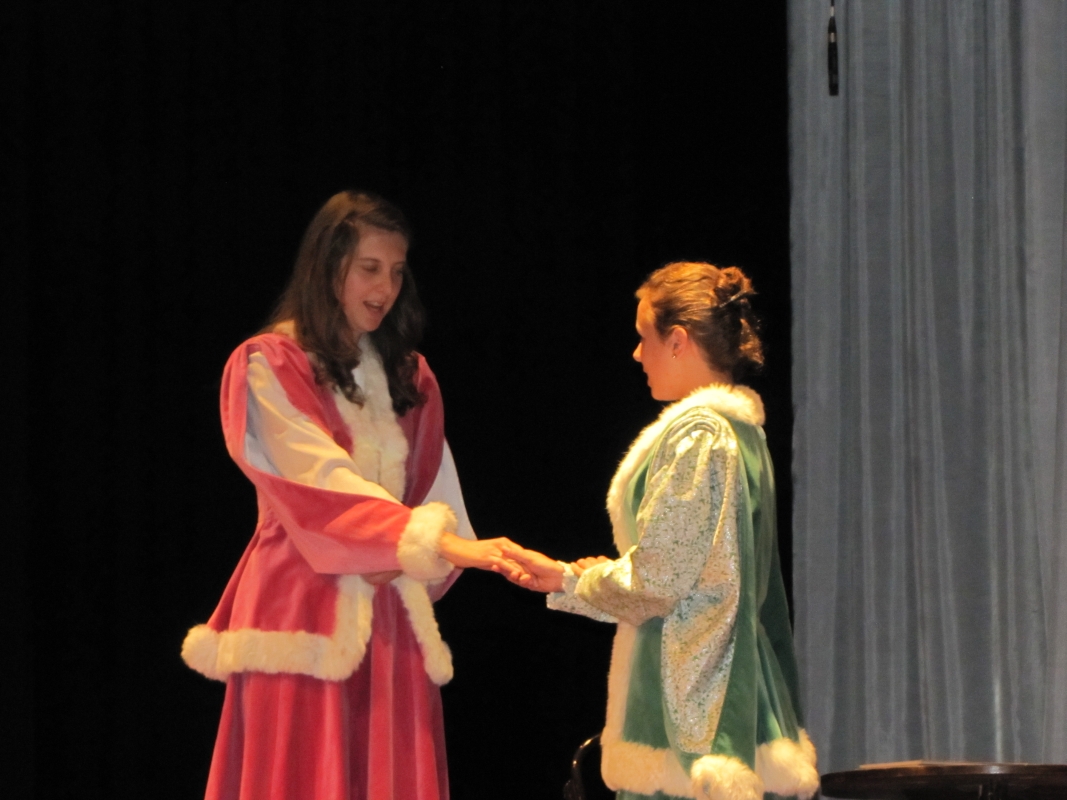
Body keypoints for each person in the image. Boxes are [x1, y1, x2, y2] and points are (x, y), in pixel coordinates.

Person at [182, 190, 521, 800]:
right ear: (329, 265)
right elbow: (317, 480)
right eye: (370, 268)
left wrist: (435, 546)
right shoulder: (270, 364)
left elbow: (436, 495)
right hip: (300, 612)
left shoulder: (410, 376)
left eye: (396, 271)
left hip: (389, 611)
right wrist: (422, 542)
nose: (385, 287)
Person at [503, 262, 819, 800]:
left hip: (693, 710)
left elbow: (661, 580)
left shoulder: (700, 434)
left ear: (677, 341)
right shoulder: (741, 433)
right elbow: (691, 578)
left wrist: (575, 580)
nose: (636, 354)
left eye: (643, 337)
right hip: (723, 687)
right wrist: (576, 580)